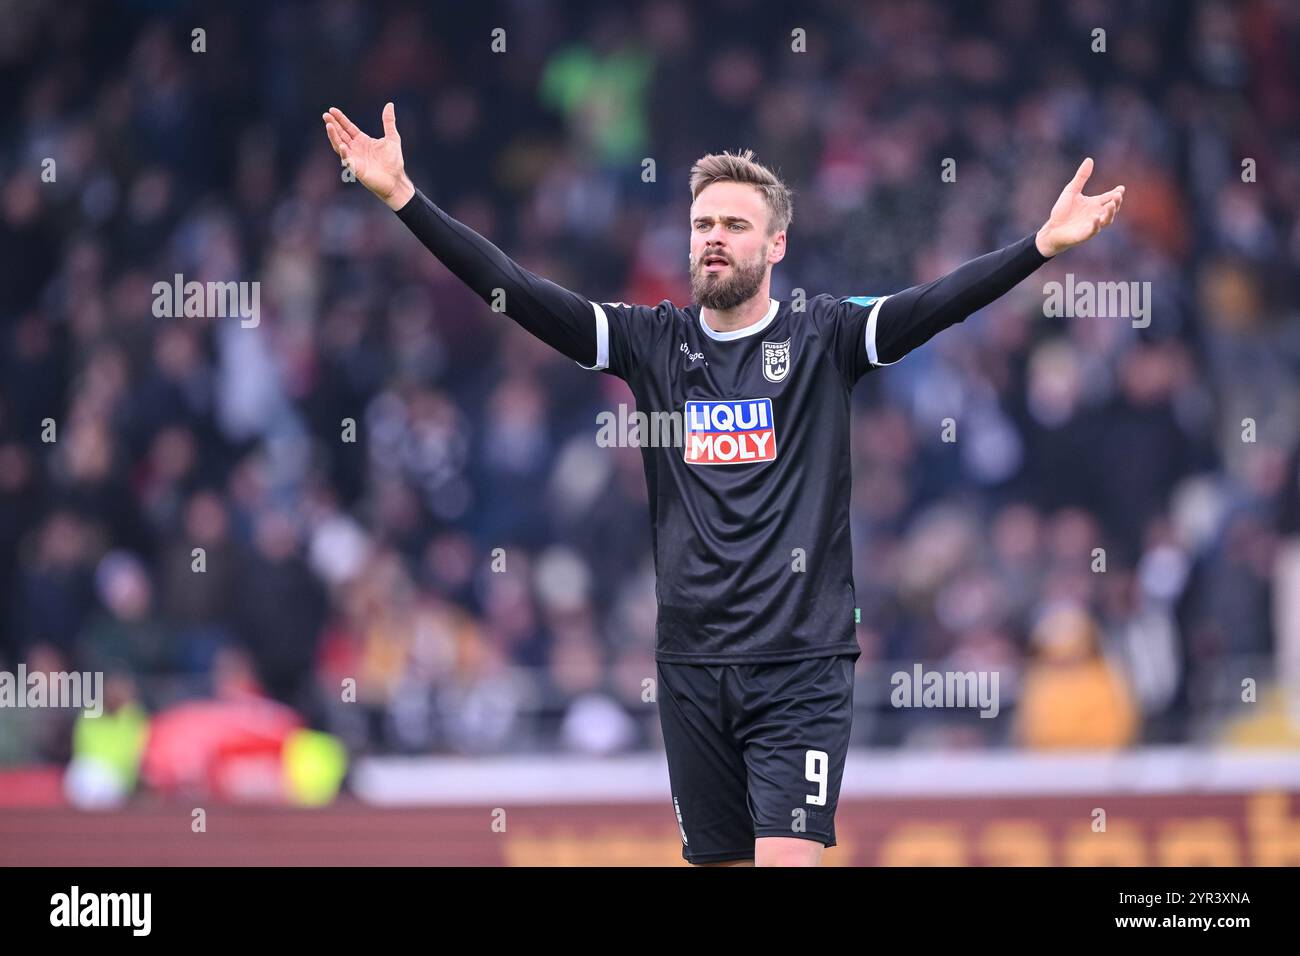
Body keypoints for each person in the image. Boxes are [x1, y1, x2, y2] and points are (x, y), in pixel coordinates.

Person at [322, 102, 1125, 866]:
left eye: (735, 225)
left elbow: (937, 305)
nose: (713, 239)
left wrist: (1039, 248)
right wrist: (405, 200)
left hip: (800, 664)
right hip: (692, 665)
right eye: (702, 224)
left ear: (775, 245)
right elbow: (522, 296)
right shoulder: (654, 343)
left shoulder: (824, 336)